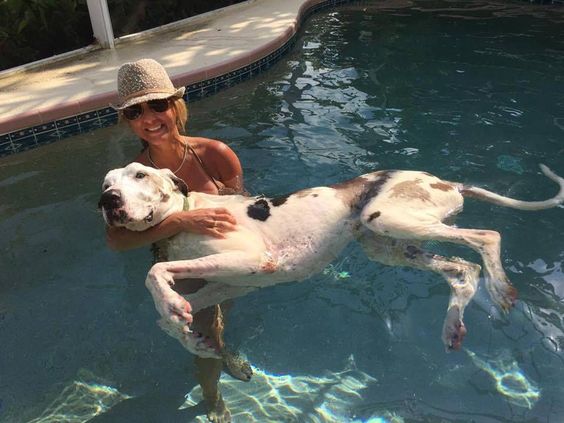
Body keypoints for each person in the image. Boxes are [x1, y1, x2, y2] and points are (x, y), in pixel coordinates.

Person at [106, 58, 249, 423]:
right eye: (136, 112)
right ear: (128, 121)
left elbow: (243, 208)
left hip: (227, 258)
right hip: (181, 267)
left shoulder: (215, 154)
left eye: (157, 105)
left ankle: (225, 350)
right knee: (206, 340)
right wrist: (181, 221)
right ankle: (212, 397)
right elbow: (116, 242)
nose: (150, 118)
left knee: (223, 320)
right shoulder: (133, 176)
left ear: (175, 105)